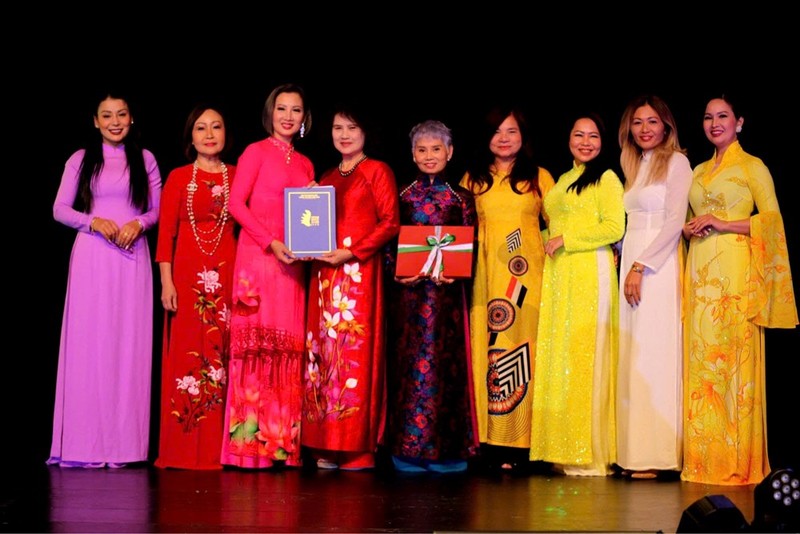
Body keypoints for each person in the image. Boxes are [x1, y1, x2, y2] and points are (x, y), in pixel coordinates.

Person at [681, 93, 798, 486]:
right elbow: (686, 221)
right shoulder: (696, 171)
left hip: (734, 276)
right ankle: (702, 459)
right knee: (702, 367)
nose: (715, 123)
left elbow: (772, 222)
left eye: (723, 116)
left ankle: (736, 460)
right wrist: (689, 227)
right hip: (700, 276)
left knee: (732, 365)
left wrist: (724, 222)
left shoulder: (753, 166)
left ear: (739, 122)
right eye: (708, 117)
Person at [49, 89, 162, 468]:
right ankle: (85, 445)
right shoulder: (81, 159)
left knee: (128, 347)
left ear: (132, 119)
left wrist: (138, 223)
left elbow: (158, 210)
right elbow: (59, 209)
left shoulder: (144, 159)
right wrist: (93, 221)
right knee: (90, 347)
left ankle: (125, 447)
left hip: (132, 259)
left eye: (122, 114)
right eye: (107, 115)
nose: (115, 122)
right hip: (92, 259)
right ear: (95, 121)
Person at [302, 102, 401, 471]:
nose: (344, 135)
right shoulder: (325, 176)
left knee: (353, 354)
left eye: (351, 128)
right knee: (322, 360)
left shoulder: (376, 170)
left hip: (358, 275)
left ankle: (356, 446)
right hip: (324, 276)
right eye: (337, 128)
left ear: (365, 133)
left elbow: (390, 222)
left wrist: (351, 252)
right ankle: (324, 443)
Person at [221, 83, 315, 469]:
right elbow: (235, 205)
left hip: (292, 267)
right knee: (256, 350)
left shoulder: (306, 163)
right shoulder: (255, 152)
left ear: (304, 118)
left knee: (286, 350)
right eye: (282, 109)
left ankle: (281, 448)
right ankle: (247, 451)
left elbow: (310, 219)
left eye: (296, 110)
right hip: (258, 260)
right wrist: (271, 242)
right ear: (270, 113)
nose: (288, 116)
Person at [459, 104, 555, 473]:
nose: (504, 138)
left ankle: (520, 442)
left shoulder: (540, 177)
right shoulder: (473, 178)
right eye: (497, 131)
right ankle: (483, 439)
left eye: (511, 131)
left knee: (522, 350)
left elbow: (559, 221)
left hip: (524, 283)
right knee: (483, 351)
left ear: (523, 136)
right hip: (483, 278)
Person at [529, 112, 625, 476]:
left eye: (594, 137)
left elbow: (615, 227)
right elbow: (553, 227)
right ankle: (565, 448)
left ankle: (592, 453)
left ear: (603, 143)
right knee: (564, 358)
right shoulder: (565, 177)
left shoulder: (608, 178)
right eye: (579, 135)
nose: (586, 142)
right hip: (560, 274)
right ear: (568, 138)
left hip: (589, 270)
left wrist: (567, 240)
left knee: (588, 357)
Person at [384, 120, 479, 474]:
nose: (429, 156)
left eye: (436, 149)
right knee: (408, 369)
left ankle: (448, 450)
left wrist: (456, 271)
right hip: (409, 299)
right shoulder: (402, 195)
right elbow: (390, 244)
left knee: (444, 369)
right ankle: (407, 450)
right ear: (412, 154)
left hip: (446, 303)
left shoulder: (461, 198)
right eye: (422, 150)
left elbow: (471, 247)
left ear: (450, 153)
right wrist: (397, 272)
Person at [154, 103, 237, 470]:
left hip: (229, 273)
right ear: (191, 136)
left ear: (225, 134)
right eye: (201, 128)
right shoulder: (177, 178)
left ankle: (222, 450)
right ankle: (183, 448)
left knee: (223, 356)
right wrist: (166, 282)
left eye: (215, 127)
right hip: (186, 278)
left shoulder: (237, 175)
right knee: (187, 358)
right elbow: (165, 234)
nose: (208, 134)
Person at [614, 95, 693, 480]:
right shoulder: (635, 166)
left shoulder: (677, 162)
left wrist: (641, 266)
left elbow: (675, 220)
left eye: (652, 122)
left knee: (655, 355)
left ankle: (657, 455)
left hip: (655, 269)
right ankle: (632, 452)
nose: (645, 129)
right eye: (637, 122)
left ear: (666, 126)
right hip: (632, 261)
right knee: (633, 355)